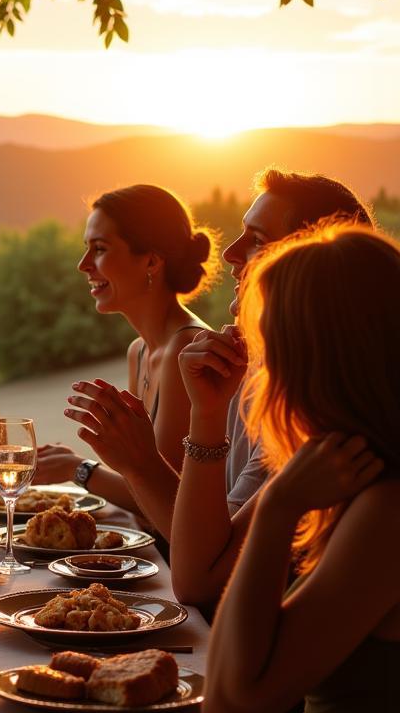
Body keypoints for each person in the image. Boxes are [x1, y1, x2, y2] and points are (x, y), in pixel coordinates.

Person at [61, 169, 372, 606]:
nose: (229, 252)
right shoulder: (247, 374)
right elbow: (211, 535)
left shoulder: (317, 412)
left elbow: (200, 575)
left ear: (311, 266)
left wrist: (123, 466)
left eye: (257, 239)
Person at [202, 222, 400, 713]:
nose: (262, 375)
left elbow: (229, 702)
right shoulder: (356, 476)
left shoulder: (385, 508)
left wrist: (280, 502)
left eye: (269, 353)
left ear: (320, 362)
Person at [38, 184, 218, 512]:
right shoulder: (139, 350)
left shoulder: (187, 351)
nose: (83, 264)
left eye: (100, 249)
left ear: (151, 260)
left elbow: (164, 501)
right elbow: (140, 481)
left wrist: (76, 468)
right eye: (86, 248)